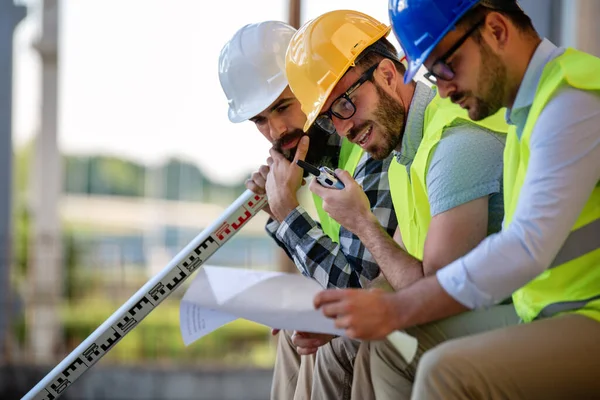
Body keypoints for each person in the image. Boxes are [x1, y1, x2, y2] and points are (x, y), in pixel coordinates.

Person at [314, 0, 600, 398]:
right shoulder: (528, 110)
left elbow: (526, 246)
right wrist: (345, 314)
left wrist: (395, 309)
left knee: (444, 372)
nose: (443, 88)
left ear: (497, 30)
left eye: (446, 65)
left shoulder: (571, 99)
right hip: (545, 309)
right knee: (394, 346)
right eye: (433, 73)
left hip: (586, 314)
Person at [285, 9, 516, 399]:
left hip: (523, 311)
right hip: (487, 305)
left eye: (345, 104)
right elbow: (394, 275)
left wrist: (361, 222)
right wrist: (338, 316)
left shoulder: (453, 144)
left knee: (388, 342)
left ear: (389, 75)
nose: (344, 129)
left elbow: (439, 296)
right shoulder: (404, 153)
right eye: (329, 119)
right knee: (337, 340)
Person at [218, 21, 398, 400]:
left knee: (322, 342)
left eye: (283, 106)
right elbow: (334, 278)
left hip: (401, 311)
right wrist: (278, 212)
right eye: (260, 120)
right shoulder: (316, 160)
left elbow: (353, 290)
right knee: (293, 331)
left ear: (312, 85)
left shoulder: (368, 139)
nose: (276, 130)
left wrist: (287, 217)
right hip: (386, 302)